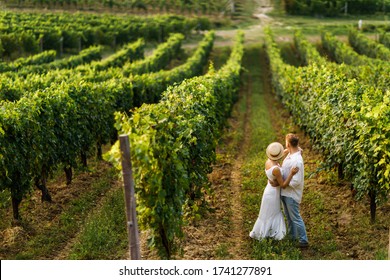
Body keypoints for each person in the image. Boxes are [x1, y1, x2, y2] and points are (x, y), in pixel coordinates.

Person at [249, 142, 299, 241]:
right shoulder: (276, 169)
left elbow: (273, 171)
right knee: (273, 212)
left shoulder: (268, 161)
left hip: (269, 189)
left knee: (267, 213)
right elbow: (283, 185)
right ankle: (272, 233)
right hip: (273, 194)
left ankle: (266, 231)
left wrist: (291, 150)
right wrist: (291, 174)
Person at [278, 133, 309, 248]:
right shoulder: (291, 154)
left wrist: (284, 183)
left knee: (295, 217)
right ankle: (292, 236)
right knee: (289, 216)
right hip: (285, 192)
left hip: (291, 194)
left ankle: (303, 240)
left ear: (288, 144)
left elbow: (296, 181)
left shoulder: (297, 161)